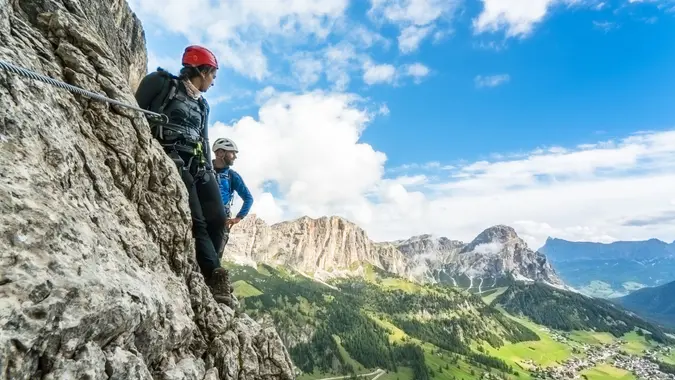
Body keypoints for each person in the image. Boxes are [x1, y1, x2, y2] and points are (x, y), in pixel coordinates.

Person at [134, 45, 231, 306]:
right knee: (196, 217)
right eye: (212, 75)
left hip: (198, 161)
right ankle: (214, 274)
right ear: (202, 70)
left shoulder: (203, 105)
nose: (213, 81)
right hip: (171, 155)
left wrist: (209, 170)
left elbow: (205, 137)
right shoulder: (161, 83)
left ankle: (210, 261)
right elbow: (136, 112)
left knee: (218, 218)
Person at [211, 137, 254, 258]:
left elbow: (248, 198)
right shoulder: (204, 169)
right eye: (232, 153)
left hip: (221, 221)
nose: (235, 156)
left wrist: (238, 218)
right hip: (202, 218)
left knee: (215, 258)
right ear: (220, 153)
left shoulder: (232, 176)